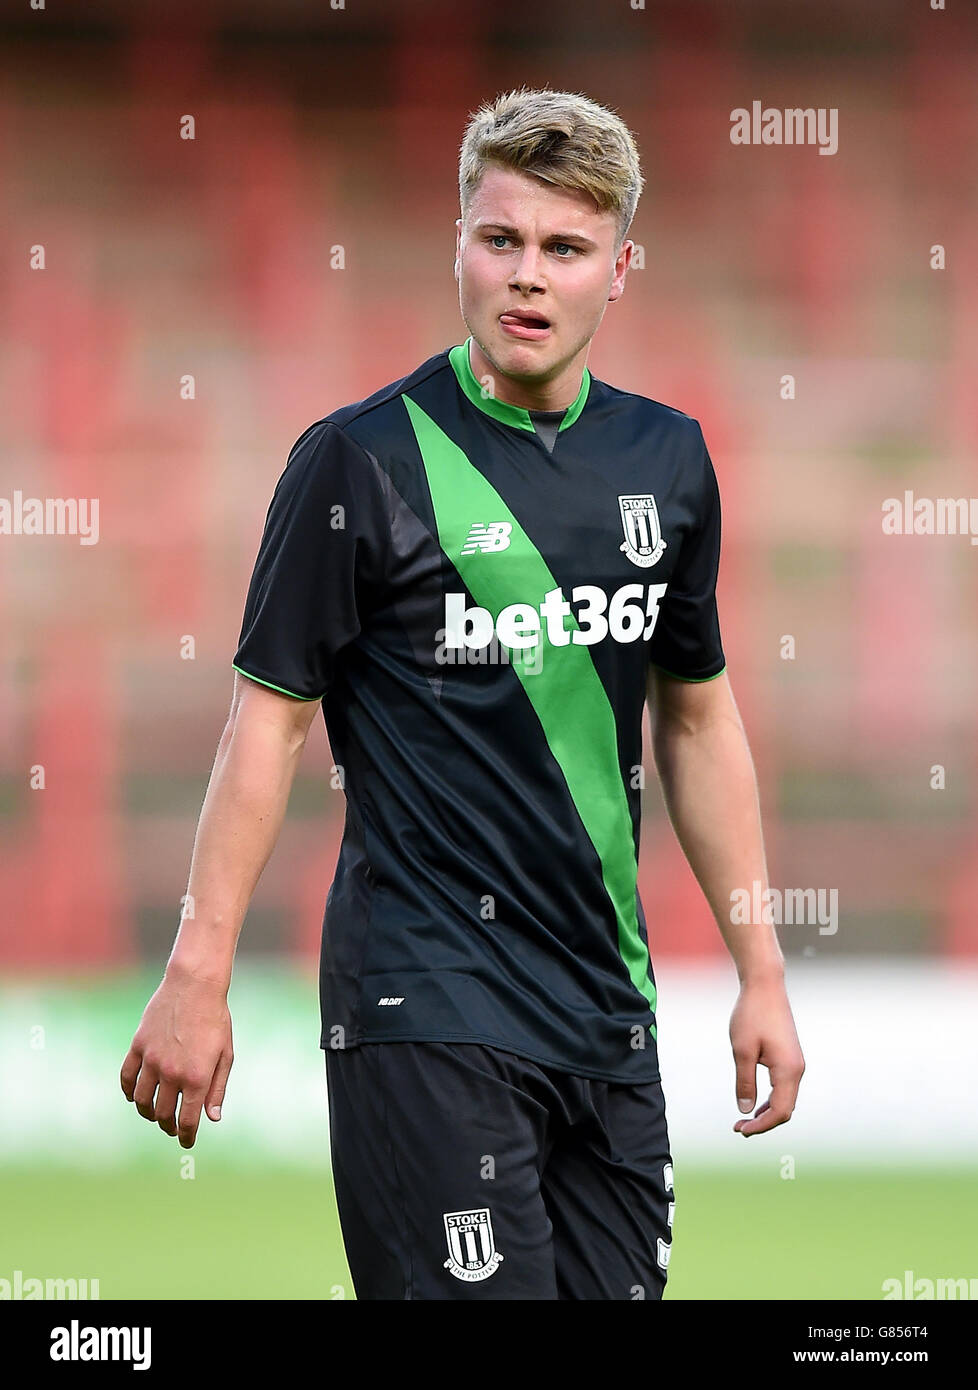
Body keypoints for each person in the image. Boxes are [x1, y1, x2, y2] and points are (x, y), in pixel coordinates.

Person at [121, 85, 804, 1301]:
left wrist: (761, 967)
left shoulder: (669, 461)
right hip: (421, 996)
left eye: (564, 248)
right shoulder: (359, 460)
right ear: (458, 249)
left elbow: (697, 716)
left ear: (620, 267)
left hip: (606, 1007)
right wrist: (198, 969)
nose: (528, 277)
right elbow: (266, 726)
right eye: (501, 241)